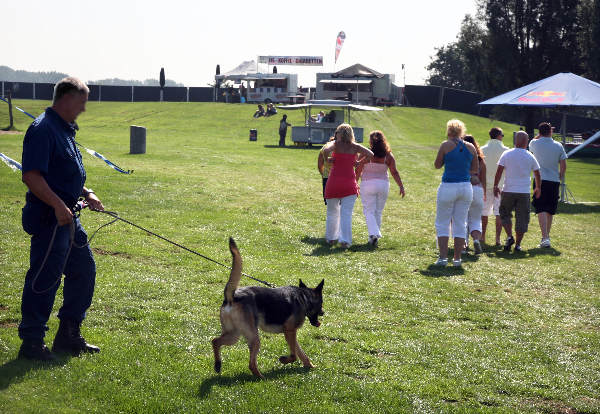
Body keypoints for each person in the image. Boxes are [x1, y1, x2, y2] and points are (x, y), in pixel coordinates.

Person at [18, 77, 104, 361]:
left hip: (68, 217)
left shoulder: (64, 130)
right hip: (49, 219)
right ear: (66, 98)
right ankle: (31, 342)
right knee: (45, 278)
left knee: (84, 271)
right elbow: (32, 175)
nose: (83, 109)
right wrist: (57, 205)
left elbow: (64, 172)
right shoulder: (43, 129)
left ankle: (68, 335)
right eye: (82, 102)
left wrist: (87, 192)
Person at [433, 119, 478, 267]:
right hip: (466, 187)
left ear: (449, 131)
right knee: (461, 223)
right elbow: (474, 169)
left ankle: (443, 257)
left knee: (443, 222)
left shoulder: (445, 145)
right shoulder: (471, 147)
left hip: (448, 186)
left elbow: (437, 165)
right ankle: (457, 258)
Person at [322, 124, 373, 249]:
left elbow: (325, 150)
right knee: (346, 214)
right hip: (349, 184)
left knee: (332, 212)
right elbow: (370, 154)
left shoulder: (335, 144)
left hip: (333, 183)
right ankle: (345, 241)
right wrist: (358, 162)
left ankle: (331, 238)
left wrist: (327, 159)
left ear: (339, 133)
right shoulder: (355, 146)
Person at [355, 130, 405, 246]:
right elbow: (394, 172)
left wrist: (355, 182)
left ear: (371, 141)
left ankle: (374, 233)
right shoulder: (388, 155)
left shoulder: (366, 154)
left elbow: (358, 170)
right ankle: (373, 238)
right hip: (383, 185)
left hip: (368, 184)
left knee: (368, 210)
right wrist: (401, 186)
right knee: (378, 211)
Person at [494, 131, 541, 252]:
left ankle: (509, 236)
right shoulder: (530, 155)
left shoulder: (507, 153)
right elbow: (537, 173)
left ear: (515, 141)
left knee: (504, 213)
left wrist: (495, 185)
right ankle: (518, 245)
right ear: (527, 142)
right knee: (522, 218)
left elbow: (499, 171)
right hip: (524, 192)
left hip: (508, 190)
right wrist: (538, 187)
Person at [529, 122, 567, 248]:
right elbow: (563, 165)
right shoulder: (559, 145)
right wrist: (560, 177)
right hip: (554, 180)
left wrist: (541, 133)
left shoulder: (534, 143)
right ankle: (546, 237)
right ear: (551, 131)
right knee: (550, 209)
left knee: (541, 208)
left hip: (540, 180)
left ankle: (545, 237)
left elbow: (533, 141)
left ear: (539, 132)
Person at [480, 127, 509, 246]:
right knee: (499, 213)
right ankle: (497, 239)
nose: (502, 137)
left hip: (485, 185)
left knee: (484, 212)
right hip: (500, 185)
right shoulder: (506, 150)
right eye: (502, 135)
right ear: (498, 136)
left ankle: (482, 237)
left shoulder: (482, 149)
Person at [462, 135, 486, 254]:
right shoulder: (480, 160)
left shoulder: (461, 157)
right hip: (477, 190)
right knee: (476, 219)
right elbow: (483, 179)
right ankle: (476, 239)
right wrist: (485, 193)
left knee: (462, 219)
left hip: (464, 188)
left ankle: (463, 244)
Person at [317, 136, 335, 204]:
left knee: (329, 203)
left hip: (327, 177)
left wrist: (323, 174)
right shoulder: (345, 147)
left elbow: (319, 165)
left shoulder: (325, 147)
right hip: (342, 177)